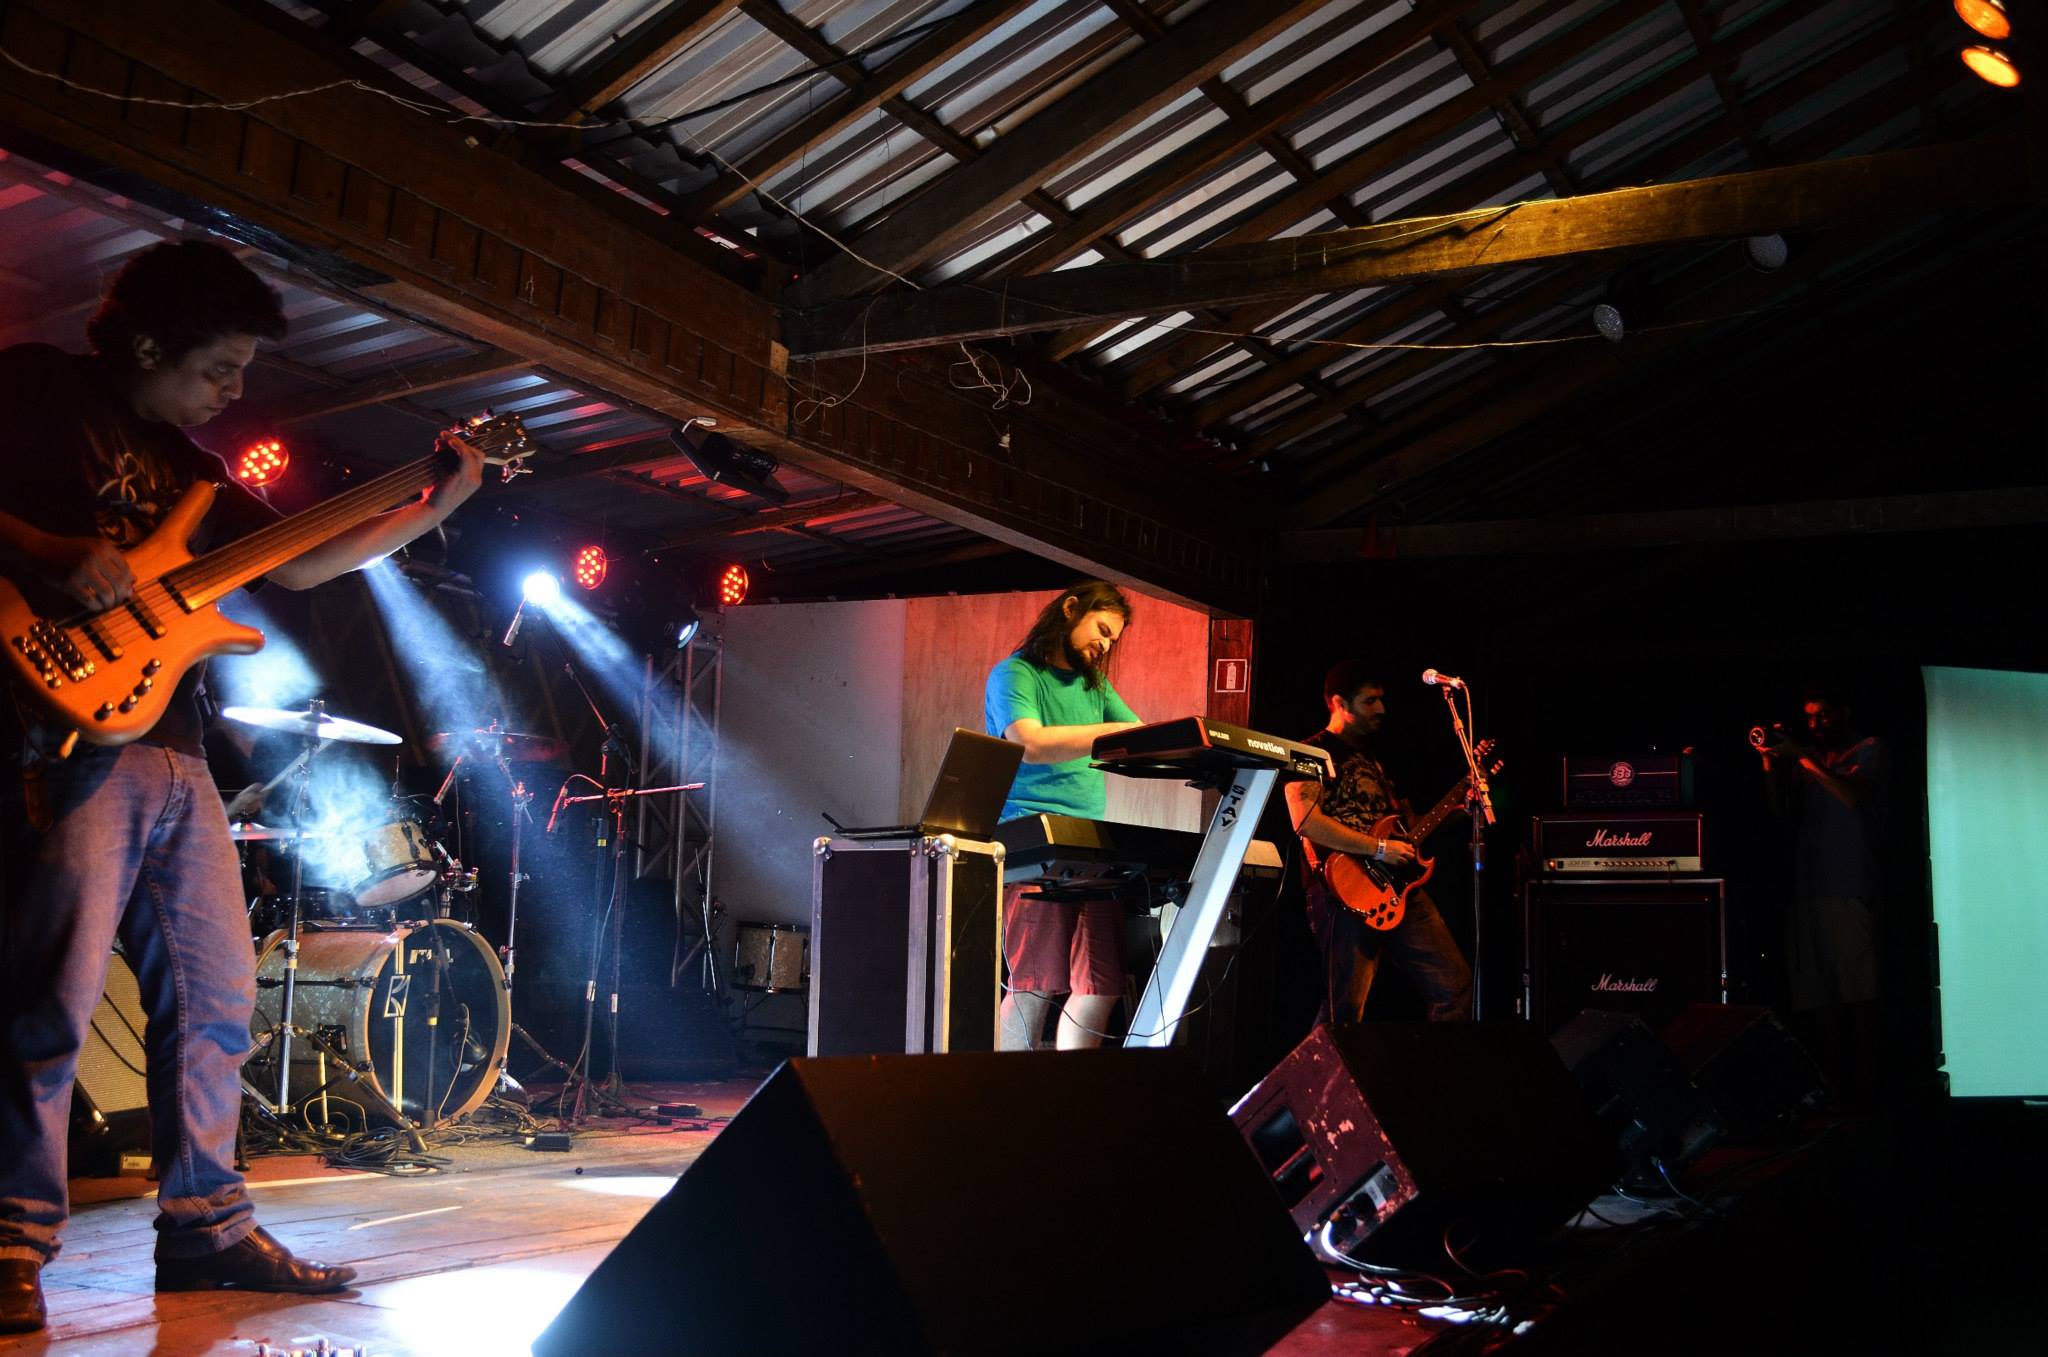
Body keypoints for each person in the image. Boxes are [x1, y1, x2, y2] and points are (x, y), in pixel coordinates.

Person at [0, 239, 485, 1333]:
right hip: (56, 730)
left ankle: (207, 1230)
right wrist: (47, 547)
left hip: (175, 748)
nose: (232, 389)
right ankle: (11, 1240)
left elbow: (303, 561)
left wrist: (436, 500)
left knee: (218, 1001)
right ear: (145, 343)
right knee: (48, 1003)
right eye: (219, 366)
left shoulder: (198, 472)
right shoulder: (33, 389)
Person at [984, 581, 1141, 1050]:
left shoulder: (1095, 685)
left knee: (1102, 983)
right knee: (1037, 982)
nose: (1106, 644)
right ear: (1071, 609)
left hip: (1090, 843)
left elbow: (1135, 733)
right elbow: (1028, 742)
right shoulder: (1015, 674)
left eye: (1113, 638)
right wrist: (1112, 733)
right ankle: (1003, 1087)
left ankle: (1071, 1084)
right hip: (1032, 839)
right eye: (1102, 629)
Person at [1283, 662, 1472, 1026]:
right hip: (1344, 891)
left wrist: (1459, 810)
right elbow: (1306, 821)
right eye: (1370, 701)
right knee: (1344, 1009)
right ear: (1340, 703)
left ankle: (1438, 1063)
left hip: (1399, 887)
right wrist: (1379, 849)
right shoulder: (1310, 753)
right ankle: (1323, 1066)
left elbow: (1408, 828)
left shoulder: (1378, 760)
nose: (1381, 709)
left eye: (1381, 700)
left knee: (1455, 986)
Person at [1754, 685, 1888, 1102]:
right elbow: (1781, 814)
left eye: (1824, 714)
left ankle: (1868, 1090)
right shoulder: (1807, 758)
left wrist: (1802, 756)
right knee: (1818, 997)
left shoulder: (1868, 749)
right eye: (1810, 716)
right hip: (1806, 889)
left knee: (1858, 994)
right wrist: (1770, 762)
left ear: (1844, 712)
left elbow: (1852, 795)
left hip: (1848, 887)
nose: (1815, 724)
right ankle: (1833, 1090)